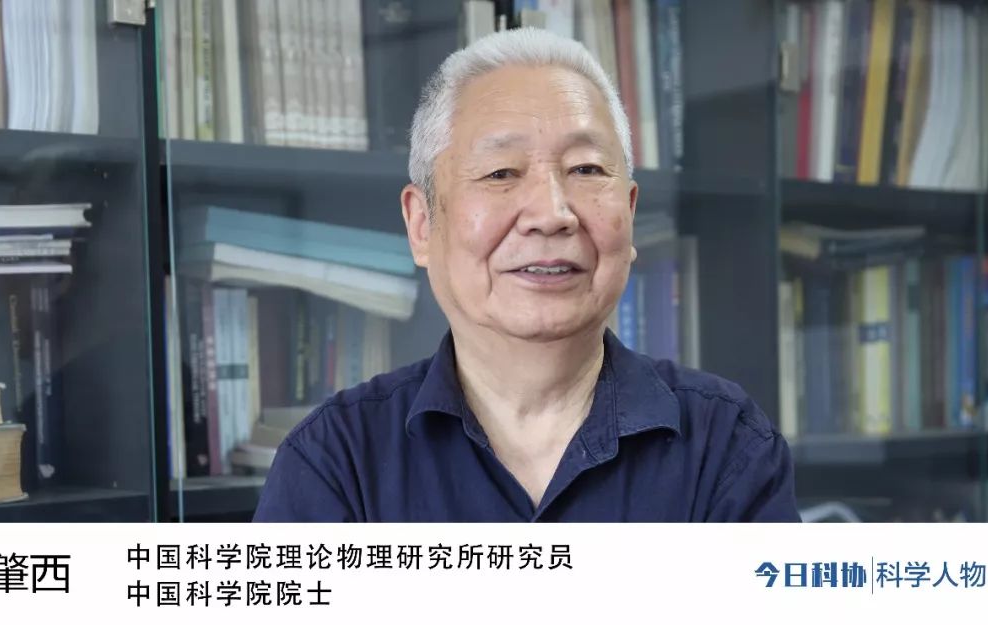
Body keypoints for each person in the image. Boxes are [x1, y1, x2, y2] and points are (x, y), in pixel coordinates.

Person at [253, 27, 800, 522]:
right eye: (500, 172)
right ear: (422, 225)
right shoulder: (336, 462)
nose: (552, 214)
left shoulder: (726, 446)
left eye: (586, 169)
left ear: (630, 213)